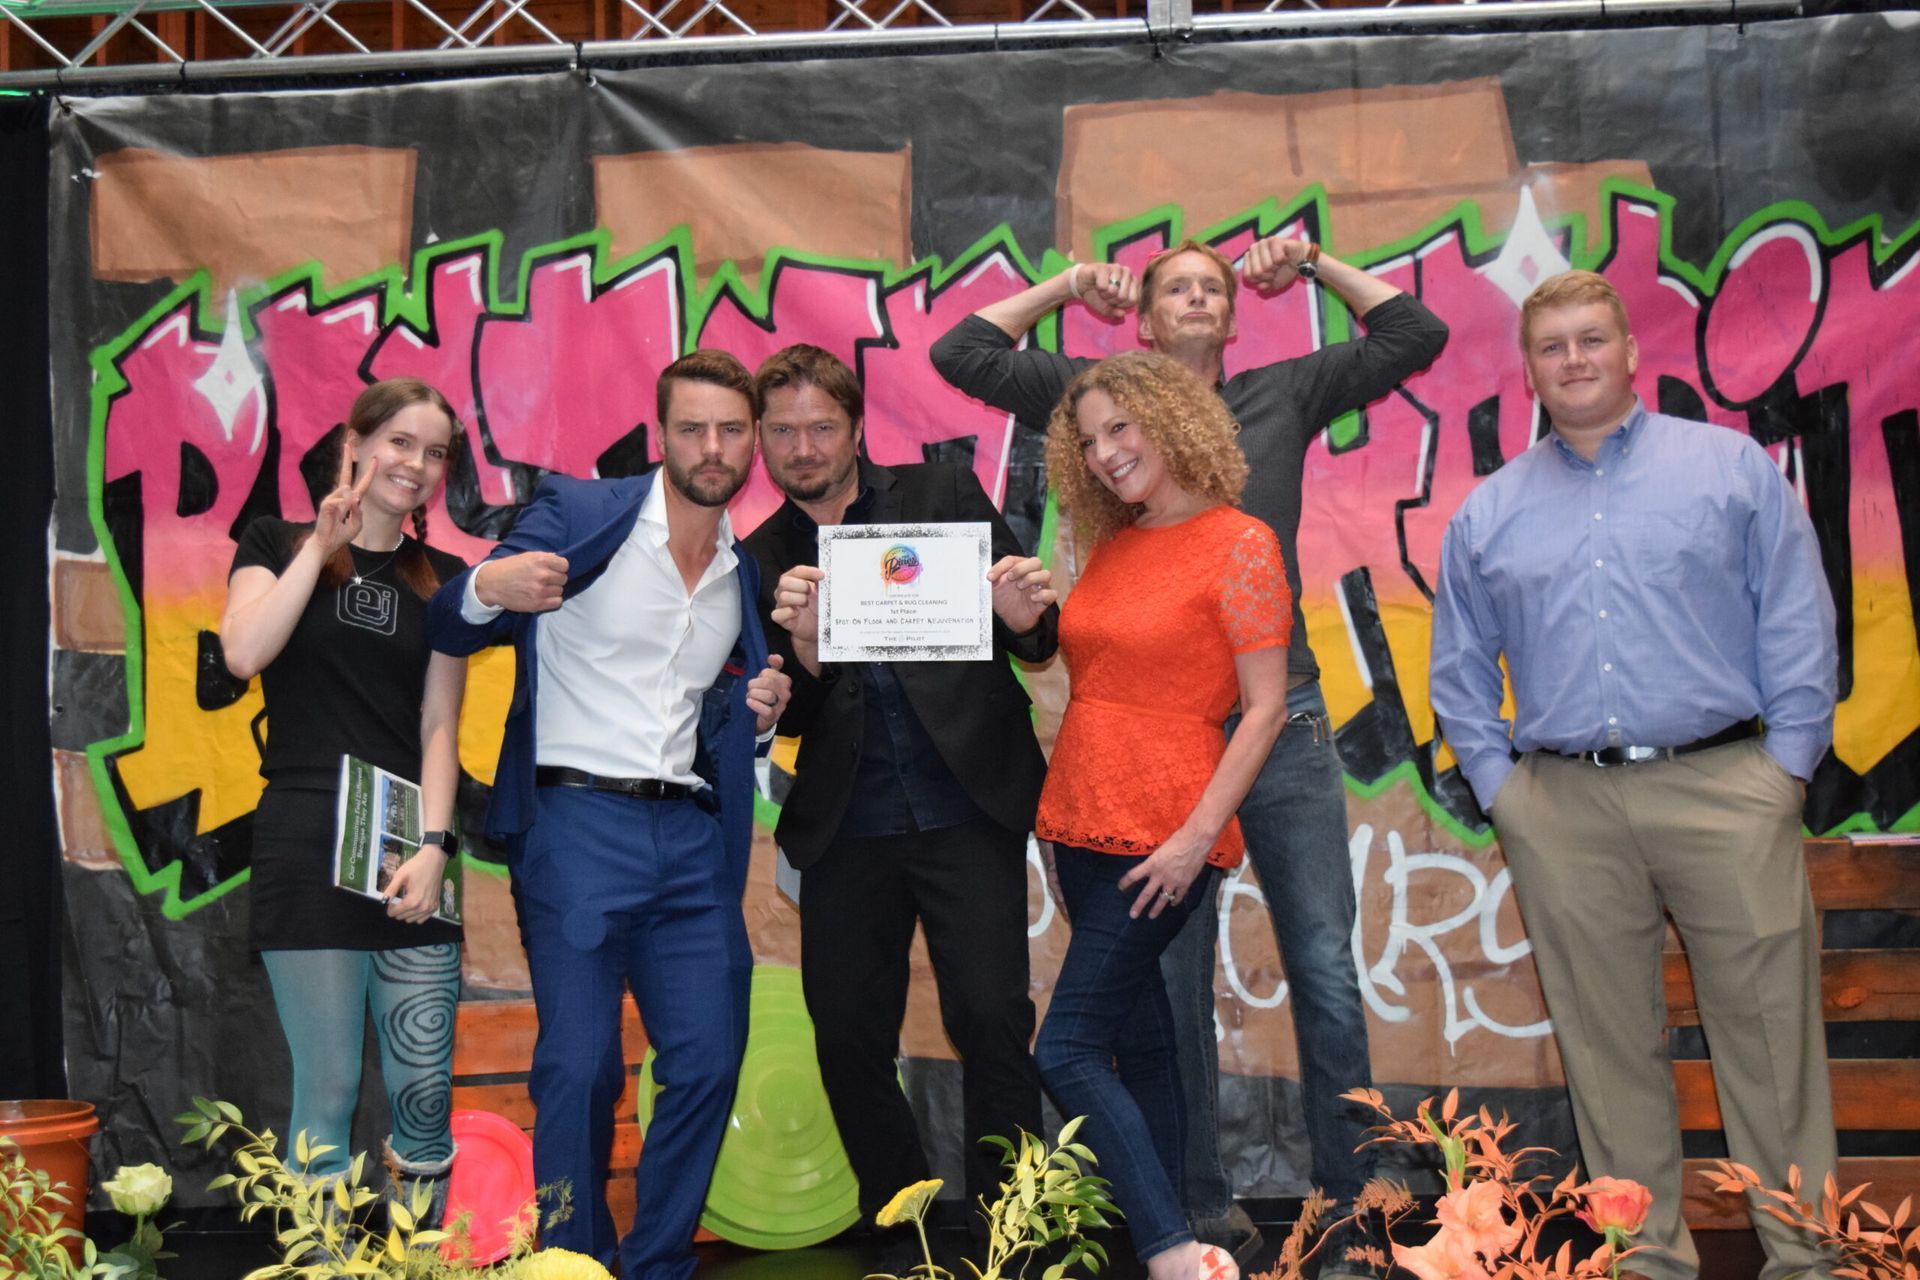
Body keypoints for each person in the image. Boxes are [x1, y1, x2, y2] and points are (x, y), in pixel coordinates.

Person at [933, 236, 1447, 1272]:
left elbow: (1413, 330)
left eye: (1215, 284)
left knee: (1322, 967)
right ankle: (1195, 1215)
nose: (1110, 445)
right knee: (1167, 1001)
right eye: (1177, 286)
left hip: (1277, 719)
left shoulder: (1282, 394)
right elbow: (967, 351)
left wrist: (1313, 265)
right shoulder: (1109, 466)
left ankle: (1351, 1210)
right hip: (1137, 770)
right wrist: (1072, 282)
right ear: (1147, 320)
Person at [1428, 270, 1839, 1280]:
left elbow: (1797, 616)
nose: (1574, 359)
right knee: (1608, 1055)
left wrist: (1784, 771)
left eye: (1591, 339)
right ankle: (1650, 1258)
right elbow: (1460, 667)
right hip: (1564, 806)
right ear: (1529, 368)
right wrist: (1505, 790)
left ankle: (1807, 1258)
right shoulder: (1491, 514)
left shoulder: (1730, 471)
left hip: (1726, 786)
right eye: (1553, 345)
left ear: (1629, 350)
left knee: (1770, 1043)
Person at [424, 350, 792, 1280]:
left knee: (709, 1061)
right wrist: (483, 588)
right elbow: (449, 623)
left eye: (731, 429)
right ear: (660, 434)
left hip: (691, 839)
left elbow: (699, 705)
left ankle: (658, 1263)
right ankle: (575, 1262)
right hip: (575, 824)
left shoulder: (738, 574)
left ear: (752, 440)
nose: (713, 447)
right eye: (692, 428)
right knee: (580, 1070)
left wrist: (750, 708)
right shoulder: (583, 513)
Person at [743, 344, 1057, 1234]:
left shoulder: (942, 496)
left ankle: (1013, 1231)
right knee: (845, 1035)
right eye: (785, 431)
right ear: (763, 441)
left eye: (821, 427)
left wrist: (1031, 623)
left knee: (992, 1019)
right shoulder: (759, 557)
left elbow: (1028, 633)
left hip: (968, 803)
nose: (803, 447)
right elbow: (786, 715)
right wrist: (801, 653)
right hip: (847, 824)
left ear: (854, 428)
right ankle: (904, 1225)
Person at [1033, 351, 1292, 1280]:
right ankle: (1195, 1230)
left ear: (1172, 421)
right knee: (1141, 1042)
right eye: (1089, 440)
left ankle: (1169, 1249)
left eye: (1121, 429)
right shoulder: (1115, 543)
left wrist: (1194, 842)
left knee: (1064, 1049)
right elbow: (1092, 678)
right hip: (1078, 822)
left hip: (1166, 833)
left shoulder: (1241, 543)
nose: (1105, 455)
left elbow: (1263, 709)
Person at [220, 377, 470, 1223]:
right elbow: (246, 651)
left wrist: (437, 844)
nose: (417, 464)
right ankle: (323, 1267)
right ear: (355, 443)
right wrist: (316, 545)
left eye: (434, 452)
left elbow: (441, 722)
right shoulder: (270, 539)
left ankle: (424, 1268)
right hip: (305, 833)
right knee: (325, 1086)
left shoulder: (445, 579)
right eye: (401, 441)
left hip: (408, 843)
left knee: (423, 1092)